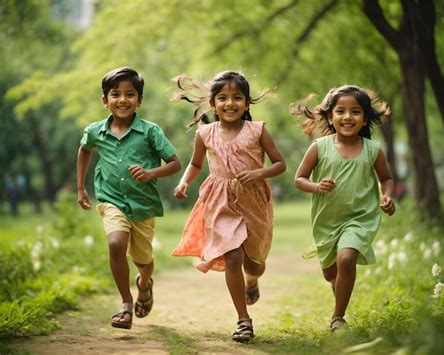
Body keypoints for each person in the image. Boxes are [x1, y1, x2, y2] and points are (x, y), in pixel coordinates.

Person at [172, 71, 286, 342]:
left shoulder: (257, 130)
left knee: (254, 262)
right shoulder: (205, 133)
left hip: (253, 199)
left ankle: (253, 278)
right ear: (213, 104)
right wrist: (184, 182)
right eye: (222, 98)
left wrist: (259, 173)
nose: (230, 103)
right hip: (220, 199)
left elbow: (280, 164)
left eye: (237, 97)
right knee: (233, 256)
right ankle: (243, 320)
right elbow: (196, 164)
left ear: (247, 103)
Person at [76, 67, 181, 330]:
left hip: (143, 205)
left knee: (143, 261)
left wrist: (150, 173)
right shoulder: (95, 131)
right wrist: (80, 187)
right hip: (111, 200)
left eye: (130, 94)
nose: (122, 100)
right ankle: (125, 303)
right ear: (105, 100)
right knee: (115, 244)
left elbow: (175, 163)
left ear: (139, 100)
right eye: (115, 94)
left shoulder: (150, 131)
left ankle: (144, 283)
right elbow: (84, 150)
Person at [292, 85, 396, 331]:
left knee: (347, 258)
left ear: (365, 119)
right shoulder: (319, 147)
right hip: (326, 220)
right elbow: (299, 179)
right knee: (331, 274)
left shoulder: (373, 150)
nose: (347, 117)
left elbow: (387, 179)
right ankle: (338, 290)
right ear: (330, 116)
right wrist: (317, 186)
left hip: (360, 218)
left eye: (355, 112)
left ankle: (338, 317)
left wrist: (387, 197)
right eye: (340, 111)